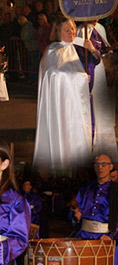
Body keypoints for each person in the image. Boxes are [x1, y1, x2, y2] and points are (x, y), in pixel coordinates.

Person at [32, 16, 101, 176]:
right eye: (67, 30)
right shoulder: (53, 50)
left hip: (79, 102)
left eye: (72, 29)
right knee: (65, 135)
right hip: (61, 104)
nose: (71, 32)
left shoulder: (76, 47)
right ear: (58, 32)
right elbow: (52, 74)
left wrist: (91, 49)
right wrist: (79, 77)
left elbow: (96, 59)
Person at [55, 154, 118, 265]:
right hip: (83, 236)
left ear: (111, 167)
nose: (100, 167)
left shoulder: (116, 190)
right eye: (97, 164)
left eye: (104, 164)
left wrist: (112, 236)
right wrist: (76, 215)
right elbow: (76, 211)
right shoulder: (86, 188)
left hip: (104, 239)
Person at [77, 20, 117, 161]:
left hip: (99, 70)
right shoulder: (81, 30)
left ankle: (104, 139)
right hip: (88, 69)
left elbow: (104, 49)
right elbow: (78, 52)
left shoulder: (100, 28)